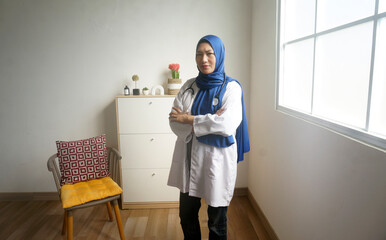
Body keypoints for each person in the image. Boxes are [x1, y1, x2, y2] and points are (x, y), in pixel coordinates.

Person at [167, 35, 250, 240]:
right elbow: (173, 121)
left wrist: (189, 119)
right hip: (189, 160)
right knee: (186, 216)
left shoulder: (231, 88)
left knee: (216, 223)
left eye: (209, 53)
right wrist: (206, 122)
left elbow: (227, 123)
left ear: (219, 55)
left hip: (216, 163)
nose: (204, 59)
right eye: (199, 54)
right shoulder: (188, 86)